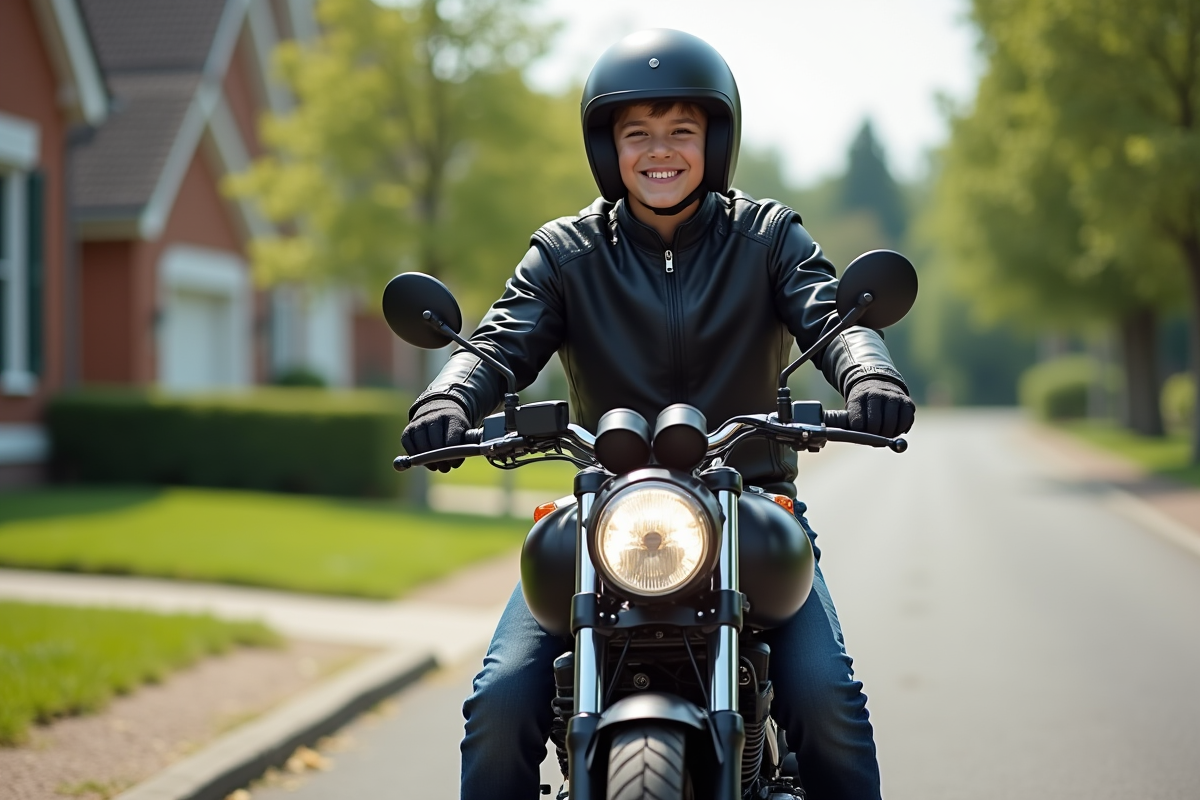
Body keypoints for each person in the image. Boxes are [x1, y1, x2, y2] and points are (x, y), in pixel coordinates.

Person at [401, 28, 915, 800]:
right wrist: (450, 393)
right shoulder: (565, 251)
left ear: (717, 138)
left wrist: (868, 374)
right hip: (602, 516)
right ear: (608, 149)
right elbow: (502, 339)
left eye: (682, 129)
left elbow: (830, 316)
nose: (660, 151)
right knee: (500, 705)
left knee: (827, 700)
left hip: (749, 510)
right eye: (637, 133)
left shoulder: (769, 237)